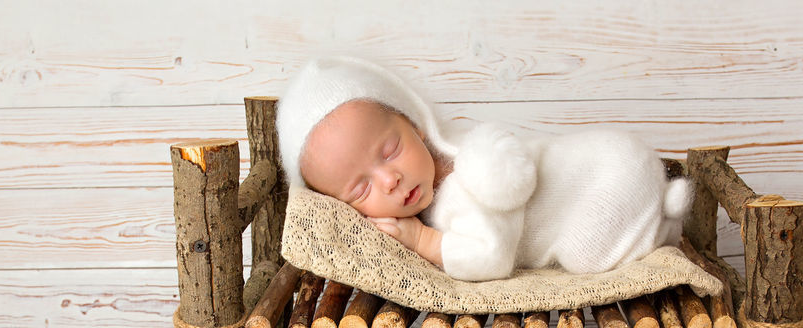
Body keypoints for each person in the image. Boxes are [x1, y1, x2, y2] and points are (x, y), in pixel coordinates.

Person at [277, 56, 694, 282]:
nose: (389, 180)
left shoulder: (468, 183)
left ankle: (654, 230)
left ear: (417, 127)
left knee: (586, 253)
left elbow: (491, 258)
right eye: (360, 190)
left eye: (389, 151)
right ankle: (658, 214)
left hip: (609, 177)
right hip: (620, 158)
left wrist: (421, 238)